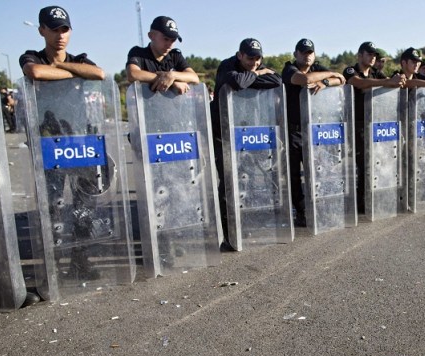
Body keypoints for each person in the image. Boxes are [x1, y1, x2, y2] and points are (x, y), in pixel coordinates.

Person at [19, 5, 106, 304]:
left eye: (64, 29)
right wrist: (70, 72)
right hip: (48, 145)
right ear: (42, 30)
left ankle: (80, 261)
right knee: (53, 208)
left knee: (84, 210)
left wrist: (65, 68)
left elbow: (98, 73)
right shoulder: (32, 55)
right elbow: (35, 72)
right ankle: (52, 265)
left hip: (80, 145)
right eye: (53, 29)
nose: (60, 35)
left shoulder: (80, 59)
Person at [210, 38, 282, 250]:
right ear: (239, 55)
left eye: (258, 59)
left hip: (247, 132)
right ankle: (228, 233)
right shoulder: (227, 65)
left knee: (246, 180)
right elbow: (237, 82)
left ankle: (245, 225)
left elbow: (277, 81)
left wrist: (253, 76)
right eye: (250, 58)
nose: (255, 62)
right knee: (229, 183)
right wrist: (258, 75)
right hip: (223, 132)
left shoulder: (254, 67)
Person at [282, 39, 346, 227]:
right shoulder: (289, 69)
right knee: (294, 176)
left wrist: (326, 81)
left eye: (310, 52)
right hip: (293, 132)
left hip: (314, 130)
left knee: (318, 171)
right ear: (296, 54)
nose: (307, 55)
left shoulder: (317, 68)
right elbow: (305, 80)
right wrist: (331, 74)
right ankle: (301, 212)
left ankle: (320, 208)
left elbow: (341, 79)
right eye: (303, 52)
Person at [343, 42, 405, 213]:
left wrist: (397, 80)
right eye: (369, 54)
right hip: (358, 125)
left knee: (377, 163)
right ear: (360, 55)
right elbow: (360, 84)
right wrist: (388, 82)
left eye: (374, 55)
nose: (373, 58)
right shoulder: (350, 70)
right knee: (363, 165)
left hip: (376, 125)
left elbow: (390, 83)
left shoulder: (376, 73)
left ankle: (375, 197)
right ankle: (361, 203)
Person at [126, 16, 199, 93]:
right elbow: (133, 74)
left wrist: (172, 76)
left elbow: (194, 78)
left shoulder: (175, 55)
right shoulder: (138, 53)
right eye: (166, 39)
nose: (169, 44)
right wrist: (171, 82)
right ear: (151, 36)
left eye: (173, 40)